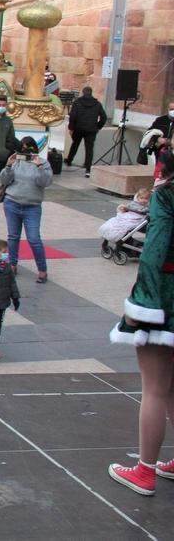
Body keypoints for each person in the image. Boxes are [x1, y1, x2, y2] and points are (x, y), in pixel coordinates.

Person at [108, 150, 174, 496]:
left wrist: (142, 306)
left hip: (164, 297)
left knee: (155, 388)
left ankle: (144, 471)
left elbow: (153, 250)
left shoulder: (167, 195)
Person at [0, 136, 53, 283]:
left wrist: (39, 167)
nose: (25, 150)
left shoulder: (43, 163)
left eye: (28, 147)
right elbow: (4, 180)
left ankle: (42, 270)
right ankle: (12, 265)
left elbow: (45, 182)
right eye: (22, 147)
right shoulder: (16, 161)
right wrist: (8, 166)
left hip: (32, 207)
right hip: (12, 203)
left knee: (34, 239)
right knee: (13, 236)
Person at [66, 86, 107, 177]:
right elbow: (104, 117)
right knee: (89, 149)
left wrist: (71, 128)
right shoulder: (97, 104)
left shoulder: (77, 103)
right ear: (91, 93)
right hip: (91, 129)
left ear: (83, 93)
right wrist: (98, 126)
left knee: (75, 144)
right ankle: (88, 169)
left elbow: (73, 116)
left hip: (78, 128)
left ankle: (69, 160)